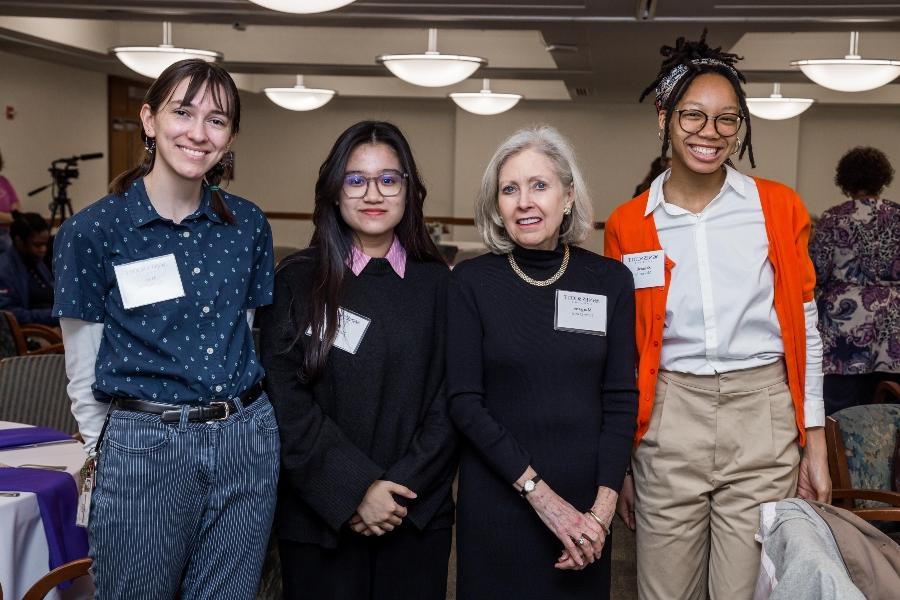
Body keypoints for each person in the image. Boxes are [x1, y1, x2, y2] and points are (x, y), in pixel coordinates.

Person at [604, 32, 832, 600]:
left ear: (741, 126)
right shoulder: (628, 224)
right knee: (663, 593)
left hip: (763, 419)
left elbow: (806, 330)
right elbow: (624, 351)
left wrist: (816, 443)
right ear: (663, 117)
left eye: (727, 120)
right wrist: (623, 462)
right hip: (668, 419)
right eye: (694, 116)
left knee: (742, 593)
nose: (710, 133)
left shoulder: (777, 207)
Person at [52, 59, 277, 598]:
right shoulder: (92, 231)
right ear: (149, 120)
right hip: (144, 446)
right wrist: (100, 454)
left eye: (217, 120)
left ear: (231, 137)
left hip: (246, 439)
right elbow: (82, 363)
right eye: (183, 112)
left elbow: (242, 332)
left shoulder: (247, 224)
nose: (199, 133)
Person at [258, 121, 457, 600]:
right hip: (319, 518)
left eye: (389, 179)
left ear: (409, 190)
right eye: (356, 179)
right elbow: (285, 402)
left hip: (414, 513)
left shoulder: (442, 286)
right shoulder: (296, 281)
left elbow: (454, 399)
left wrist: (394, 491)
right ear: (334, 190)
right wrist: (355, 490)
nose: (374, 193)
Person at [447, 125, 637, 599]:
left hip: (585, 511)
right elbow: (465, 402)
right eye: (509, 189)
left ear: (568, 197)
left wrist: (600, 514)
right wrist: (542, 499)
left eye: (539, 185)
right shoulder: (470, 283)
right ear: (497, 205)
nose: (524, 201)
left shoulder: (609, 280)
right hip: (499, 500)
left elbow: (620, 400)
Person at [809, 146, 900, 415]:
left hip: (843, 323)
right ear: (883, 179)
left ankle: (840, 456)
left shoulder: (833, 218)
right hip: (893, 322)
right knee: (889, 407)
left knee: (839, 407)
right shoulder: (898, 216)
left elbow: (817, 271)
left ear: (844, 180)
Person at [0, 212, 56, 326]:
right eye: (37, 245)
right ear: (19, 241)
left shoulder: (34, 259)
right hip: (34, 333)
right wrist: (53, 316)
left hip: (53, 323)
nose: (43, 250)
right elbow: (9, 314)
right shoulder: (5, 269)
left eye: (45, 244)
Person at [0, 148, 21, 254]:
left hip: (8, 230)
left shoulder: (3, 180)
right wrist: (10, 217)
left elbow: (15, 202)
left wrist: (14, 213)